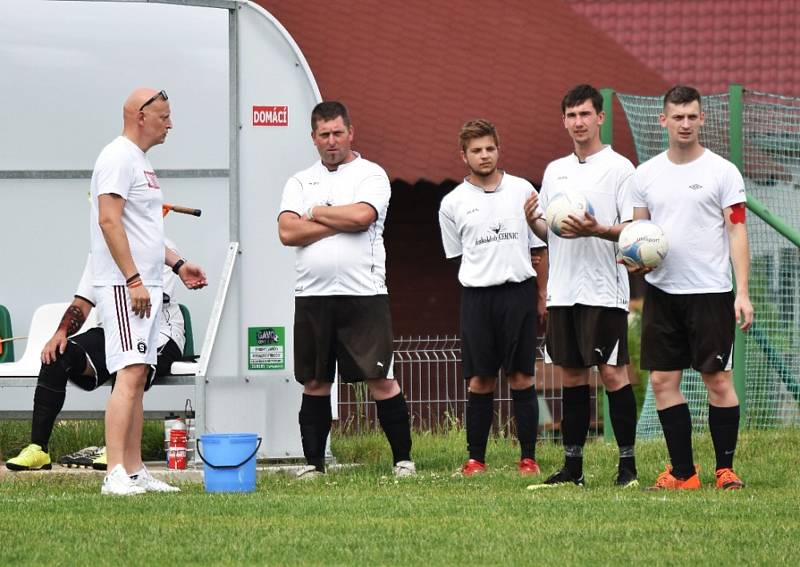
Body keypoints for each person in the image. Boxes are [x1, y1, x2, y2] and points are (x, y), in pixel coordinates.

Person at [278, 101, 415, 478]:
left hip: (364, 293)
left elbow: (362, 216)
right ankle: (314, 465)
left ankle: (403, 460)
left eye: (338, 133)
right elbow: (288, 232)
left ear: (351, 132)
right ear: (313, 138)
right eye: (324, 135)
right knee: (315, 380)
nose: (332, 141)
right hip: (312, 295)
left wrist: (317, 213)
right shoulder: (299, 181)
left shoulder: (371, 175)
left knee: (380, 377)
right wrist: (338, 219)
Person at [628, 85, 753, 490]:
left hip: (711, 293)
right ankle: (683, 472)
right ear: (663, 120)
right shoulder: (644, 175)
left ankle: (725, 470)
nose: (685, 123)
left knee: (717, 380)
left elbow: (737, 230)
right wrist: (633, 256)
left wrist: (743, 291)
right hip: (662, 294)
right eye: (677, 116)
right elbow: (639, 234)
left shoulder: (722, 171)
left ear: (702, 119)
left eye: (691, 116)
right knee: (664, 383)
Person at [90, 88, 206, 495]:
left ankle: (135, 470)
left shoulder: (141, 164)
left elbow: (145, 229)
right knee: (130, 372)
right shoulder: (117, 157)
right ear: (141, 116)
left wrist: (177, 263)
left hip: (149, 285)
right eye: (164, 116)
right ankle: (114, 472)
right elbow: (109, 221)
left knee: (139, 376)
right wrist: (134, 279)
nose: (170, 124)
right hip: (127, 287)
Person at [524, 85, 639, 488]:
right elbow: (550, 230)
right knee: (571, 376)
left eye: (585, 114)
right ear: (564, 121)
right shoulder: (555, 170)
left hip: (604, 289)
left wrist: (598, 228)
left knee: (611, 373)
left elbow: (633, 231)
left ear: (600, 118)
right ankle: (573, 469)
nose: (578, 123)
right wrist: (533, 222)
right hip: (564, 289)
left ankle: (627, 467)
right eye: (571, 116)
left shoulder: (621, 168)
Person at [5, 242, 187, 492]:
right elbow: (83, 301)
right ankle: (38, 449)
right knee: (58, 353)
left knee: (130, 366)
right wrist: (60, 333)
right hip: (112, 329)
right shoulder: (101, 247)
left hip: (159, 330)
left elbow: (146, 305)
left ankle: (119, 458)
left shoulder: (160, 244)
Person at [438, 119, 547, 476]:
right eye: (476, 150)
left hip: (518, 294)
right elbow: (457, 257)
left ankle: (528, 458)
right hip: (477, 299)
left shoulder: (523, 191)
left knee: (521, 377)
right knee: (480, 380)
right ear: (463, 156)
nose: (484, 156)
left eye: (489, 148)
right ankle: (476, 460)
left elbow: (539, 249)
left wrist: (542, 295)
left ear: (499, 149)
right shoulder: (452, 203)